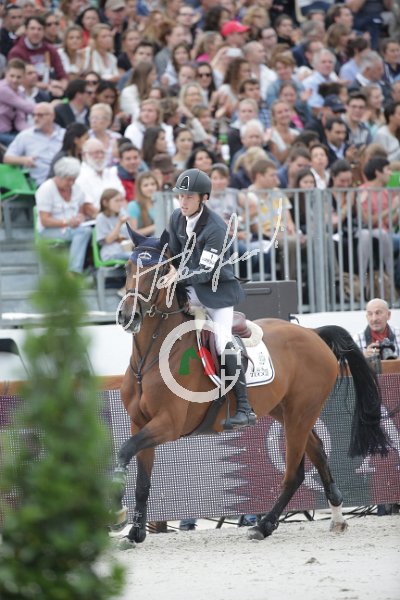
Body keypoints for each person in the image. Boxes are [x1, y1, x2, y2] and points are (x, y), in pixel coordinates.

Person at [165, 168, 257, 430]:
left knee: (222, 341)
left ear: (203, 198)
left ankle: (244, 408)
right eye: (180, 196)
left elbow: (205, 272)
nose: (183, 202)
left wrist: (177, 276)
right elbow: (172, 253)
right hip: (191, 289)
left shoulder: (216, 228)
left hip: (216, 293)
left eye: (189, 197)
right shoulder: (176, 217)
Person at [35, 157, 92, 275]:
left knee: (89, 231)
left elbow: (81, 211)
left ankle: (87, 269)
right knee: (84, 232)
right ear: (58, 176)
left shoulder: (76, 188)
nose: (71, 183)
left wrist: (80, 218)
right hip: (49, 230)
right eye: (68, 180)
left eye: (74, 180)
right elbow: (45, 220)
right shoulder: (46, 189)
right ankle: (73, 272)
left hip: (72, 228)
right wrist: (67, 222)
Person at [4, 102, 65, 187]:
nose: (36, 118)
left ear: (52, 116)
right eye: (34, 115)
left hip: (64, 181)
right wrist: (23, 160)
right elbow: (7, 158)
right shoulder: (25, 136)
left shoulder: (64, 134)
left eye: (40, 115)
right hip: (39, 184)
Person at [0, 59, 35, 147]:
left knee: (31, 139)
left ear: (23, 77)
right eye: (12, 76)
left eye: (18, 77)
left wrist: (32, 132)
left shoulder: (20, 92)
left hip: (10, 131)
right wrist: (47, 108)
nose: (14, 80)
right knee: (21, 143)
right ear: (6, 74)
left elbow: (19, 120)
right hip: (1, 133)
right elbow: (26, 107)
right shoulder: (2, 89)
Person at [95, 188, 132, 263]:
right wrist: (119, 223)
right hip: (111, 253)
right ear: (105, 203)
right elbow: (108, 240)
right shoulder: (101, 217)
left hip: (125, 250)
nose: (120, 204)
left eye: (121, 200)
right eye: (116, 201)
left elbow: (129, 236)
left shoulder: (122, 213)